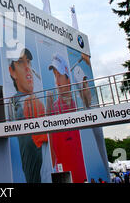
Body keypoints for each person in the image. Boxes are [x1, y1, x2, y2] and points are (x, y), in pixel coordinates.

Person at [7, 42, 49, 183]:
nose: (27, 67)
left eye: (29, 62)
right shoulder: (26, 103)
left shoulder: (21, 101)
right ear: (12, 71)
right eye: (20, 62)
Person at [45, 52, 87, 183]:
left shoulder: (79, 104)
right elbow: (52, 155)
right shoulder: (53, 109)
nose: (57, 82)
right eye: (55, 76)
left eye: (60, 76)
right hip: (65, 176)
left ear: (68, 78)